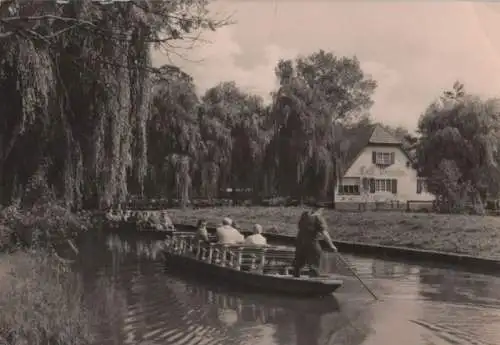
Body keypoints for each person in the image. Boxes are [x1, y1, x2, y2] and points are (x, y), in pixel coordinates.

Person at [292, 207, 338, 278]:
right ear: (320, 209)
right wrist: (332, 245)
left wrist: (313, 230)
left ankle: (295, 280)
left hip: (300, 243)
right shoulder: (319, 218)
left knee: (298, 265)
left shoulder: (304, 215)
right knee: (314, 265)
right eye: (322, 210)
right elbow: (325, 233)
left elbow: (301, 227)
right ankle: (313, 282)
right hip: (312, 245)